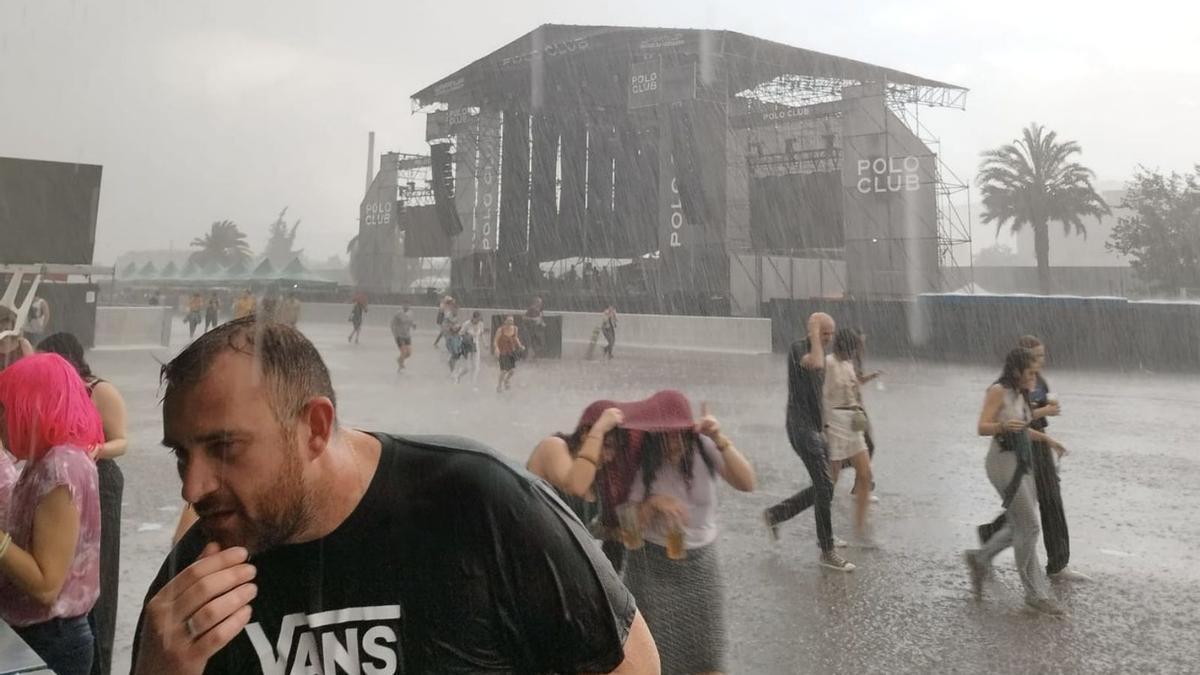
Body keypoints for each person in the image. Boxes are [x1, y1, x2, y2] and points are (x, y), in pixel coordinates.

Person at [130, 317, 659, 674]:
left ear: (315, 427)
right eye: (181, 454)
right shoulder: (189, 590)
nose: (192, 487)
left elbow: (632, 666)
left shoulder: (476, 500)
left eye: (224, 448)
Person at [622, 391, 756, 675]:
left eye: (679, 434)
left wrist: (720, 438)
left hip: (701, 567)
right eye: (665, 435)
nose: (673, 442)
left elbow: (747, 483)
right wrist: (653, 504)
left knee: (709, 659)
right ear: (654, 434)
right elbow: (629, 533)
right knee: (657, 661)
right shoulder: (641, 459)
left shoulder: (704, 447)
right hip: (651, 568)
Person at [0, 353, 105, 675]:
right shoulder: (44, 460)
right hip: (40, 631)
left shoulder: (61, 466)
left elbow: (46, 584)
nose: (1, 420)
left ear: (30, 408)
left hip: (50, 637)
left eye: (4, 409)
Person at [36, 333, 129, 675]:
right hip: (64, 479)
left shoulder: (99, 390)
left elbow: (122, 440)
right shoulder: (52, 393)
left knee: (98, 568)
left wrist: (95, 449)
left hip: (99, 480)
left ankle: (98, 662)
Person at [963, 347, 1067, 616]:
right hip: (1001, 461)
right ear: (1017, 370)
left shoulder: (1022, 393)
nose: (1035, 378)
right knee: (1030, 526)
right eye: (1031, 373)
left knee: (1018, 525)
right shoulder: (997, 391)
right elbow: (981, 426)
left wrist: (1048, 440)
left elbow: (1024, 427)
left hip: (1022, 462)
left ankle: (980, 558)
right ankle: (1035, 593)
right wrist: (1001, 427)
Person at [977, 335, 1089, 582]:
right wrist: (1042, 412)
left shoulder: (1037, 381)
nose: (1041, 363)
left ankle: (992, 538)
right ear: (1021, 362)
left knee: (1041, 503)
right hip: (1020, 450)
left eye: (1042, 356)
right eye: (1036, 357)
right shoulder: (1007, 386)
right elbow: (1011, 417)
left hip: (1036, 443)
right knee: (1034, 509)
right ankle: (1046, 574)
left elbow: (1024, 416)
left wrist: (1049, 438)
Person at [762, 312, 855, 571]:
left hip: (816, 429)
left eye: (831, 333)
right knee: (824, 485)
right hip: (800, 428)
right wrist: (814, 333)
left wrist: (827, 428)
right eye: (825, 332)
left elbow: (818, 395)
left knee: (826, 484)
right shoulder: (799, 349)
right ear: (813, 330)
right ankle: (827, 550)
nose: (829, 338)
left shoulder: (818, 353)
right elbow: (814, 362)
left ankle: (776, 514)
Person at [527, 401, 630, 572]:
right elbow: (574, 486)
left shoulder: (593, 476)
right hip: (533, 560)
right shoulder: (553, 446)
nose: (610, 456)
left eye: (615, 449)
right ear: (584, 433)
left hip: (562, 566)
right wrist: (599, 429)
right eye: (607, 445)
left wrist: (612, 534)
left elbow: (576, 523)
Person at [823, 329, 874, 543]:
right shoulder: (828, 363)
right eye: (853, 349)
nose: (854, 353)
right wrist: (823, 427)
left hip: (853, 422)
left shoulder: (848, 364)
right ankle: (825, 532)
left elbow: (854, 389)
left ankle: (860, 527)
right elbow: (820, 396)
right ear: (844, 347)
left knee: (865, 475)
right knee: (830, 481)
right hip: (833, 421)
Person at [493, 314, 524, 393]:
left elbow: (516, 338)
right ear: (505, 321)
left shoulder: (515, 328)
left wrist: (520, 346)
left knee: (512, 371)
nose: (510, 322)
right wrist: (496, 348)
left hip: (511, 351)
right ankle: (499, 385)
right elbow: (495, 341)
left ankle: (506, 380)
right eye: (509, 320)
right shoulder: (500, 330)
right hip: (503, 351)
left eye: (512, 321)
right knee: (503, 371)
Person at [463, 311, 488, 384]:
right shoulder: (467, 324)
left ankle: (472, 383)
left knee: (476, 367)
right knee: (467, 367)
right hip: (466, 345)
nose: (478, 321)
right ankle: (458, 376)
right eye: (477, 319)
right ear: (473, 318)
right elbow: (461, 333)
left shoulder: (480, 324)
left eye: (480, 319)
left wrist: (485, 343)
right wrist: (466, 338)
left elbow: (482, 334)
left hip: (475, 345)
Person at [390, 305, 416, 371]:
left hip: (407, 335)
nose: (406, 306)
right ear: (402, 306)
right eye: (405, 305)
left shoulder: (411, 313)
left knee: (409, 353)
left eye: (408, 305)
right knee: (403, 352)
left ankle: (399, 360)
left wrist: (413, 325)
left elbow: (411, 322)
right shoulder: (398, 313)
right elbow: (392, 323)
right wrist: (394, 332)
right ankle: (400, 365)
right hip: (399, 335)